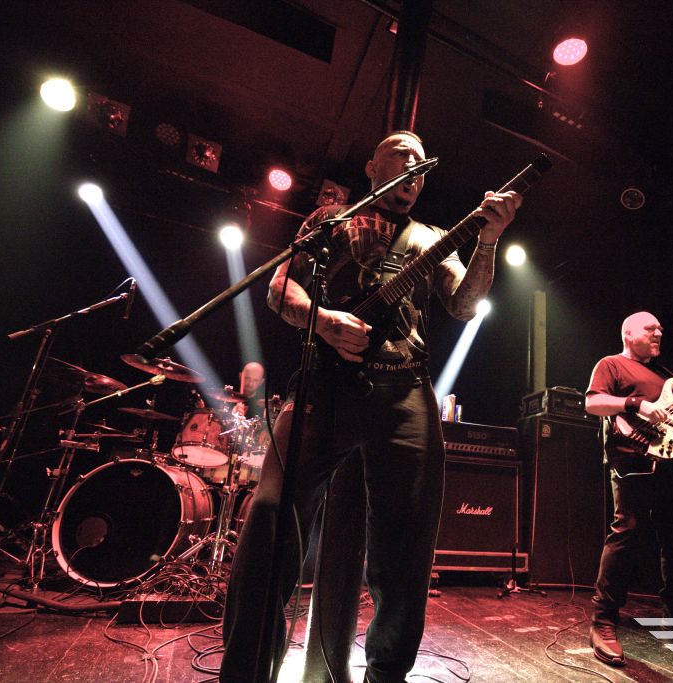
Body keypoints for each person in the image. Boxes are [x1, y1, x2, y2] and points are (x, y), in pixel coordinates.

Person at [220, 130, 523, 683]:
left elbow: (464, 305)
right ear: (372, 167)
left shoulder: (434, 237)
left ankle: (385, 675)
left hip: (405, 391)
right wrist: (324, 321)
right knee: (270, 517)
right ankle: (246, 673)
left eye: (421, 161)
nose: (413, 166)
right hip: (324, 386)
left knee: (406, 545)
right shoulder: (332, 219)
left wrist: (489, 241)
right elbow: (280, 287)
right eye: (401, 154)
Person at [583, 311, 673, 667]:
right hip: (630, 457)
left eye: (661, 329)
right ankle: (603, 622)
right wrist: (638, 404)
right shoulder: (612, 364)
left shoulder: (667, 376)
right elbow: (593, 403)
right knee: (627, 531)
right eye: (651, 328)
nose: (659, 333)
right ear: (628, 333)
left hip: (671, 459)